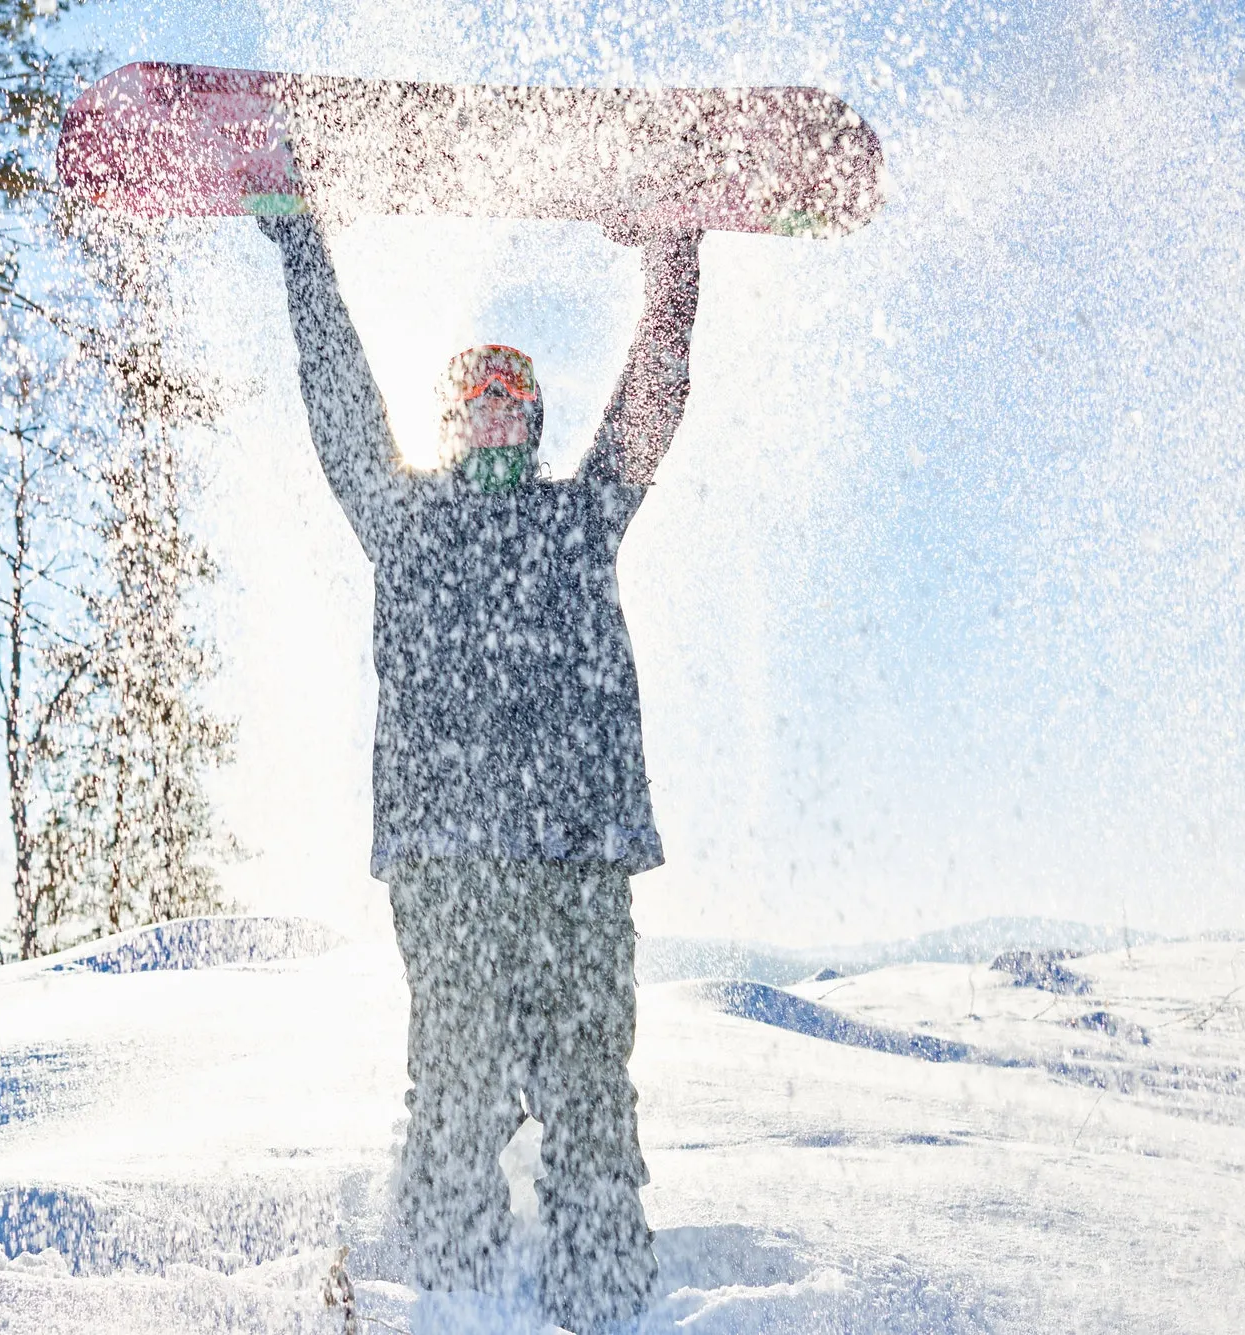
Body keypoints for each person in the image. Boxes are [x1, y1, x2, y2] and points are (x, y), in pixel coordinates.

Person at [258, 210, 702, 1334]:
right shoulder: (405, 520)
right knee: (454, 1092)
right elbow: (342, 404)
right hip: (448, 857)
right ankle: (454, 1302)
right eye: (473, 398)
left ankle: (604, 1306)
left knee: (590, 1096)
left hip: (577, 855)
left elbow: (649, 409)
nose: (491, 411)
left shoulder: (580, 517)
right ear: (450, 420)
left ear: (535, 416)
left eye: (511, 396)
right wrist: (304, 247)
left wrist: (676, 265)